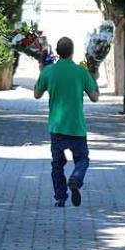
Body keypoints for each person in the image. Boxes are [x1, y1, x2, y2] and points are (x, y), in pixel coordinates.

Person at [34, 36, 100, 207]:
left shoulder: (49, 71)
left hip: (56, 127)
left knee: (57, 164)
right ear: (72, 53)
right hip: (77, 127)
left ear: (57, 52)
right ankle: (76, 178)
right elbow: (95, 97)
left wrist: (41, 70)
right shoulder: (81, 72)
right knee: (82, 159)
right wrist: (94, 78)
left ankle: (61, 198)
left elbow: (36, 94)